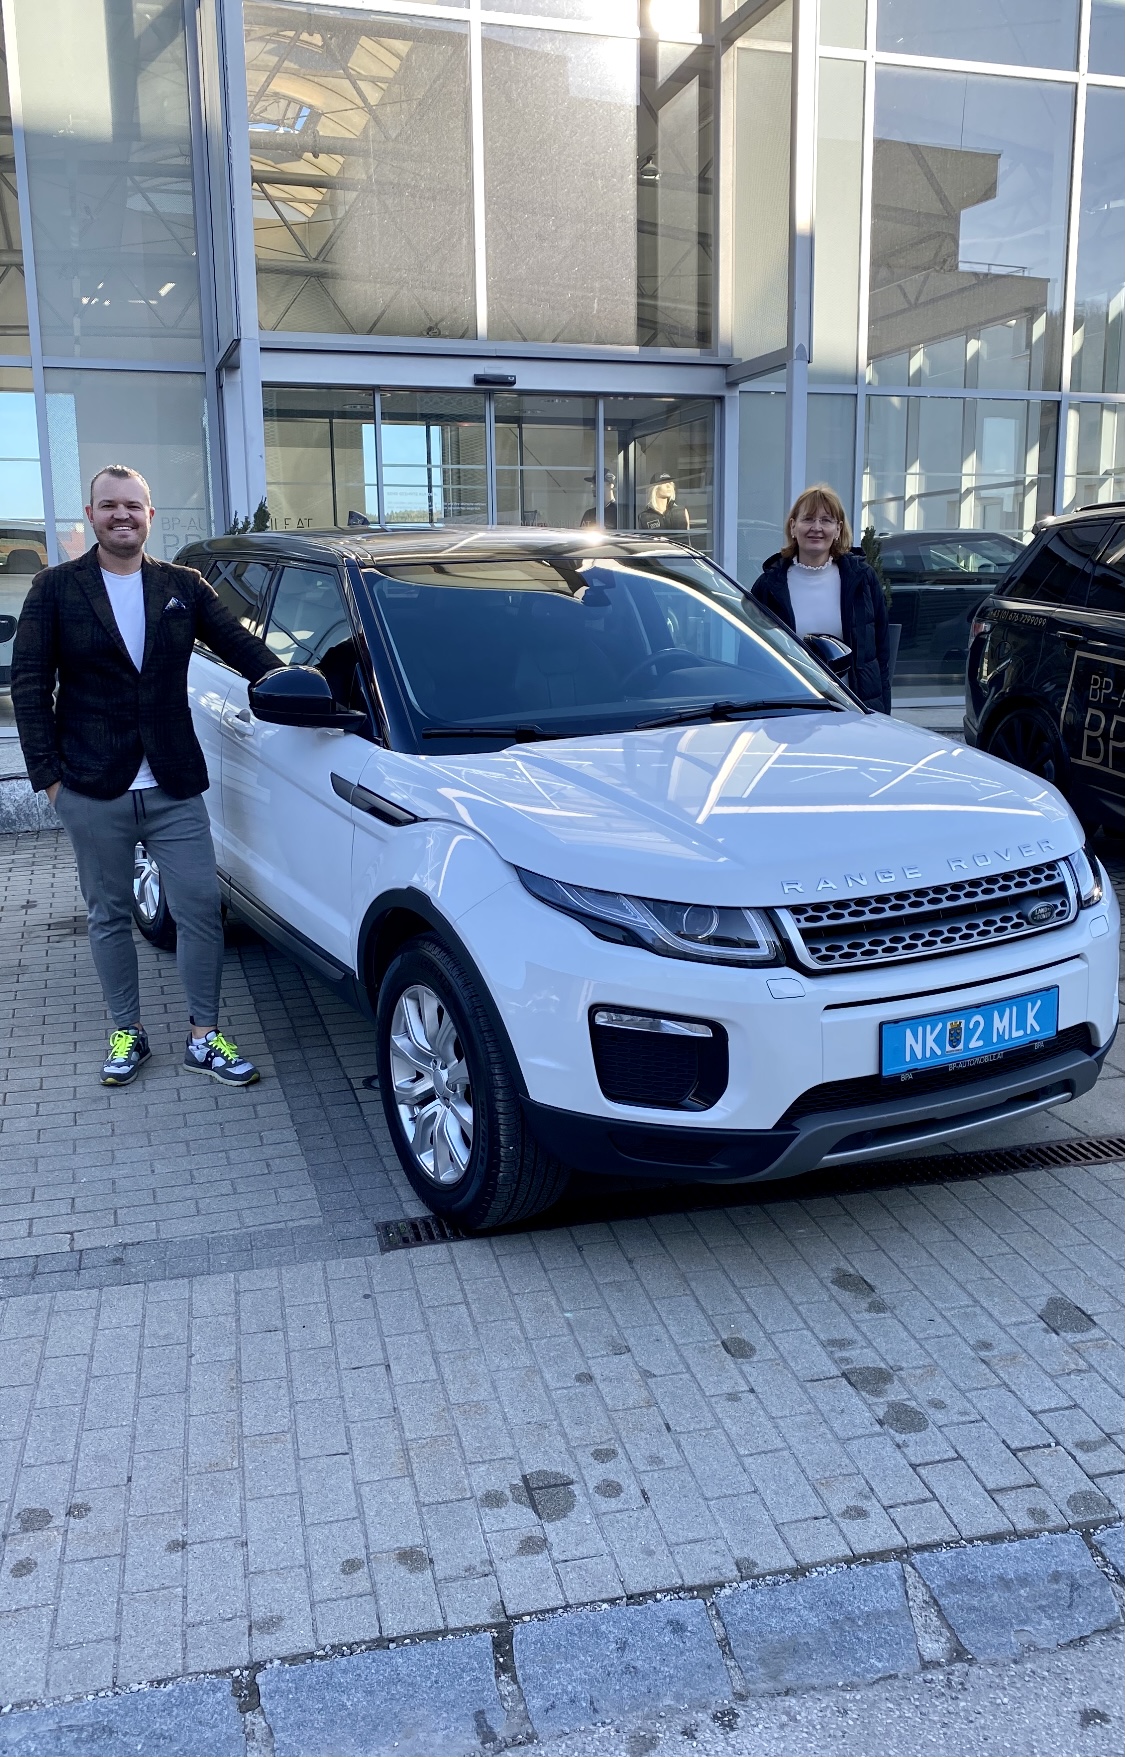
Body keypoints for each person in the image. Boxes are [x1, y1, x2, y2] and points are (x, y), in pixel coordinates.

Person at [12, 465, 283, 1088]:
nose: (122, 515)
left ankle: (203, 1036)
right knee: (108, 915)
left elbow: (243, 649)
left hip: (172, 785)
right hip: (91, 788)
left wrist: (300, 684)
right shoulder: (55, 588)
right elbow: (29, 685)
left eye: (133, 505)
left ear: (150, 516)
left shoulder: (182, 585)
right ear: (91, 515)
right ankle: (126, 1031)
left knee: (200, 910)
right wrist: (50, 781)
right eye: (109, 505)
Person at [750, 483, 891, 712]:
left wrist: (882, 714)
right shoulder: (768, 586)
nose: (816, 528)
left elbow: (881, 654)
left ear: (838, 529)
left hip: (854, 710)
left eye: (826, 520)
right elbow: (754, 659)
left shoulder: (862, 580)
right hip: (790, 711)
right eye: (808, 519)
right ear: (793, 526)